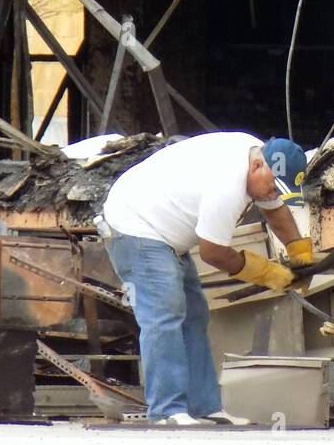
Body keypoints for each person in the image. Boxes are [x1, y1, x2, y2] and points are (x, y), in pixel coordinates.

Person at [100, 132, 312, 426]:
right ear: (256, 167)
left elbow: (277, 214)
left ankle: (204, 407)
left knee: (194, 315)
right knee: (164, 315)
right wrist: (266, 273)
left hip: (164, 230)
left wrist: (300, 252)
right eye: (274, 188)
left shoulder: (259, 160)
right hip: (135, 225)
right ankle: (166, 411)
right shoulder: (228, 186)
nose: (272, 196)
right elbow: (213, 253)